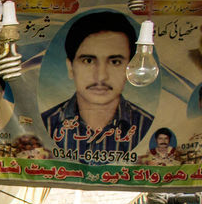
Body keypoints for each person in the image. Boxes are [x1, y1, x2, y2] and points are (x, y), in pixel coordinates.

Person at [40, 11, 154, 159]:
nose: (101, 76)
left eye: (115, 62)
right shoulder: (45, 125)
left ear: (131, 67)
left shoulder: (147, 127)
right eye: (88, 60)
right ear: (70, 68)